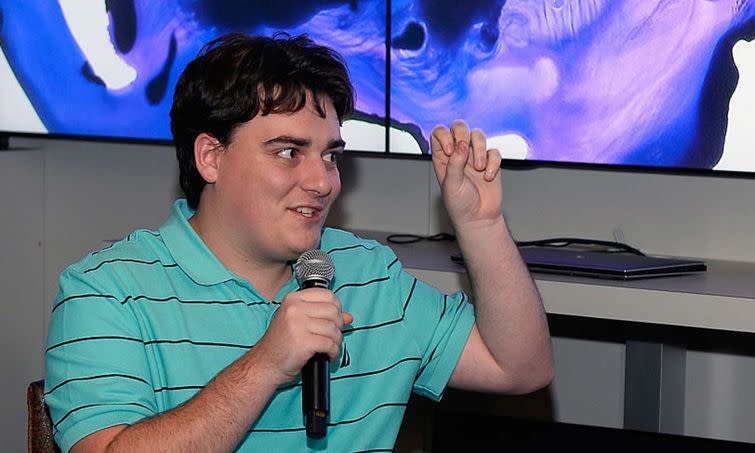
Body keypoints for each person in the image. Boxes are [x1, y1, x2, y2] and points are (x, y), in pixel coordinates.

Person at [44, 32, 554, 452]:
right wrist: (268, 362)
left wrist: (482, 226)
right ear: (211, 158)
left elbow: (521, 368)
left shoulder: (368, 273)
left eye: (330, 155)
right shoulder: (105, 291)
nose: (323, 181)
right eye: (289, 152)